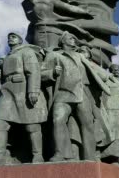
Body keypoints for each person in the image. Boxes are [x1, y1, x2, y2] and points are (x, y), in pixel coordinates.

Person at [42, 32, 110, 161]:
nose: (74, 40)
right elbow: (41, 73)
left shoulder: (80, 56)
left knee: (87, 125)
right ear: (62, 41)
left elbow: (98, 73)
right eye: (71, 38)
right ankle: (59, 153)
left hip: (82, 93)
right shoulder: (54, 55)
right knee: (58, 120)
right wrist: (52, 72)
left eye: (74, 38)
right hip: (63, 93)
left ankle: (89, 157)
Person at [0, 33, 47, 165]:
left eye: (14, 37)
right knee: (0, 122)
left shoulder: (26, 51)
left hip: (23, 88)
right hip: (7, 91)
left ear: (20, 41)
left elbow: (33, 70)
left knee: (32, 125)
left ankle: (38, 156)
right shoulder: (5, 58)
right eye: (9, 37)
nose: (10, 38)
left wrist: (33, 90)